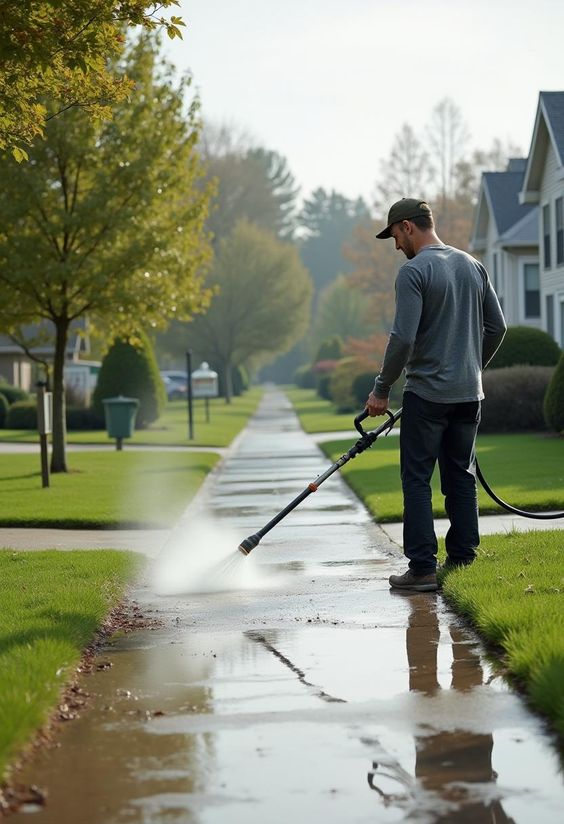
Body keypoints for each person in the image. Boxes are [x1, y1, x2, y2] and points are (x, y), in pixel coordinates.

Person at [366, 198, 506, 592]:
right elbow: (497, 328)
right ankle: (462, 560)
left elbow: (402, 339)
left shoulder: (414, 272)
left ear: (407, 226)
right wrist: (471, 368)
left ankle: (423, 569)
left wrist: (381, 389)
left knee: (416, 480)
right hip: (469, 396)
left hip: (427, 395)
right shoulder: (472, 265)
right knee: (461, 476)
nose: (396, 246)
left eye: (395, 236)